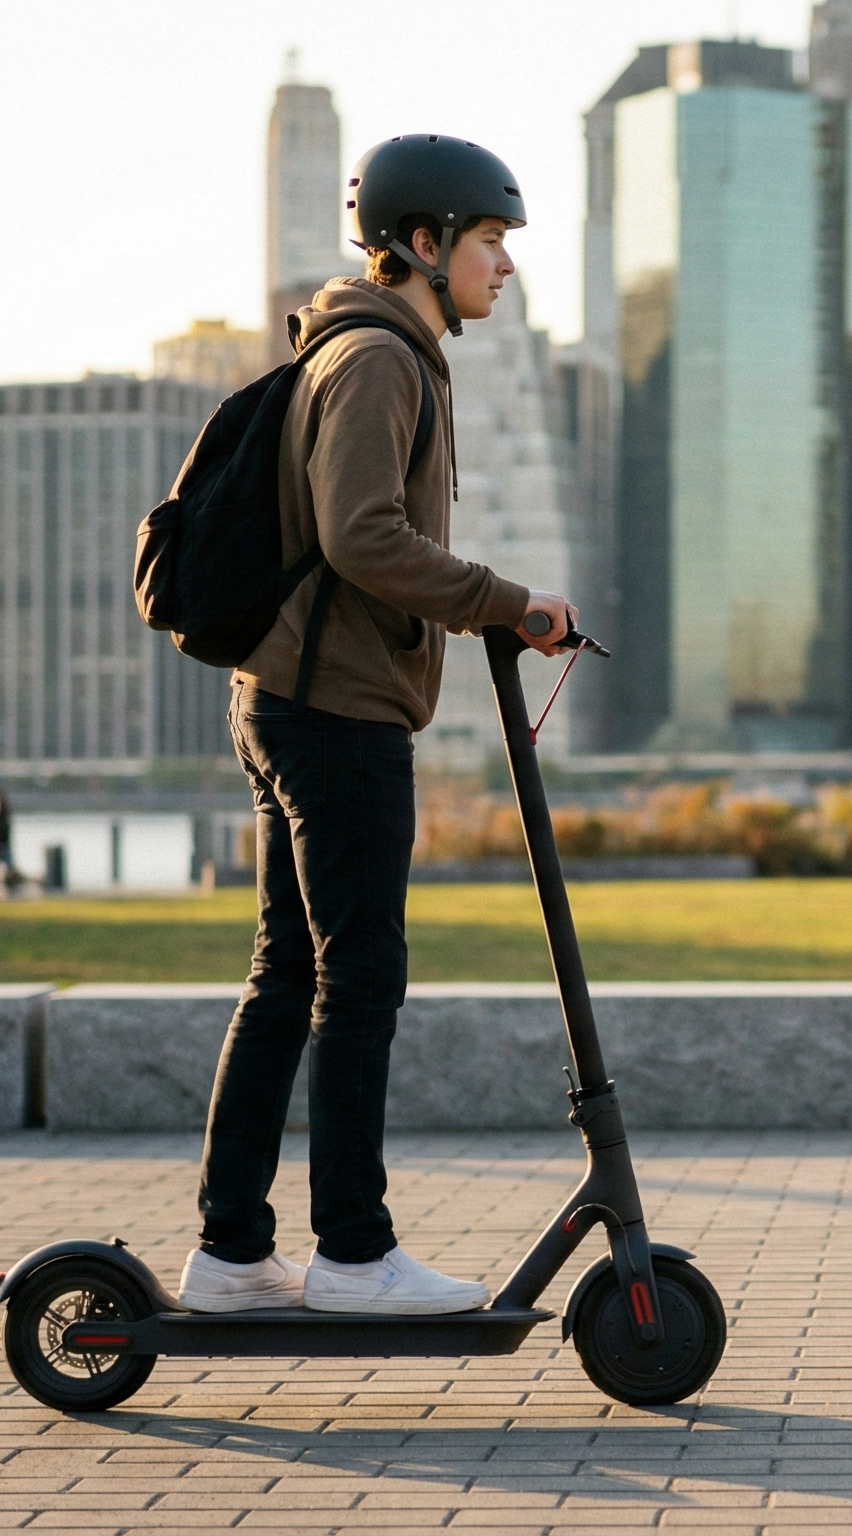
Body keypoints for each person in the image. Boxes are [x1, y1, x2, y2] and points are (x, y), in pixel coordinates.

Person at [179, 135, 579, 1317]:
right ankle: (353, 1255)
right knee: (358, 983)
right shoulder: (376, 361)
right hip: (332, 711)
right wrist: (510, 605)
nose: (503, 266)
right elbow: (362, 537)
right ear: (423, 244)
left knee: (289, 975)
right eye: (491, 241)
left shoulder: (374, 349)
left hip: (298, 699)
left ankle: (231, 1255)